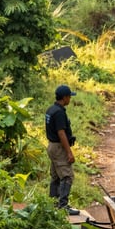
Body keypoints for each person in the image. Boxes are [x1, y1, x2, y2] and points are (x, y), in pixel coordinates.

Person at [45, 84, 79, 215]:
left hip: (51, 146)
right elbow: (61, 133)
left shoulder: (50, 110)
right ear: (64, 97)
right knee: (67, 176)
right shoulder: (59, 113)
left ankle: (53, 203)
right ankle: (63, 205)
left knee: (56, 176)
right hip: (59, 147)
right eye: (69, 96)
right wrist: (69, 152)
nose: (70, 99)